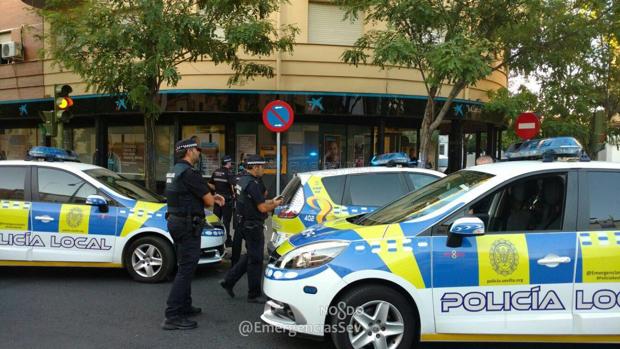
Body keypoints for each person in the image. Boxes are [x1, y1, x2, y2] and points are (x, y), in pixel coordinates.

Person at [162, 138, 225, 331]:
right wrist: (212, 198)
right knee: (186, 269)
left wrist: (210, 196)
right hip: (187, 225)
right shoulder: (190, 173)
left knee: (184, 265)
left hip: (176, 221)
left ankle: (185, 306)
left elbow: (185, 195)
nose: (199, 152)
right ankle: (172, 314)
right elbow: (207, 202)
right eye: (197, 149)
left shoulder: (175, 170)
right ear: (189, 151)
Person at [220, 155, 283, 303]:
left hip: (244, 223)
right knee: (256, 260)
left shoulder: (242, 179)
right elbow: (262, 207)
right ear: (255, 167)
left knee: (250, 255)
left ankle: (228, 281)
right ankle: (253, 294)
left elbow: (257, 201)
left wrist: (271, 201)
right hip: (253, 225)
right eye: (262, 167)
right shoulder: (253, 184)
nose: (264, 170)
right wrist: (276, 204)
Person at [209, 155, 235, 247]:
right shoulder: (229, 173)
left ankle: (215, 240)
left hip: (217, 199)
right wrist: (234, 195)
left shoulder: (216, 172)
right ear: (228, 163)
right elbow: (233, 186)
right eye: (230, 162)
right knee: (226, 222)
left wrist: (216, 191)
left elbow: (210, 184)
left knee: (216, 220)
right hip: (226, 201)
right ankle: (227, 241)